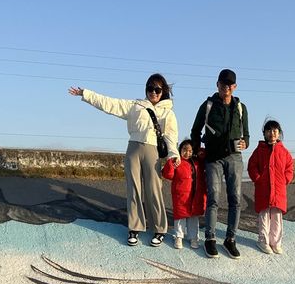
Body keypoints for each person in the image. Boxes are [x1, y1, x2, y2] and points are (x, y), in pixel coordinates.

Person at [68, 75, 178, 247]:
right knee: (133, 189)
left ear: (163, 91)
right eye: (150, 88)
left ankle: (159, 228)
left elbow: (171, 136)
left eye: (157, 89)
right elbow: (110, 103)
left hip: (153, 151)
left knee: (154, 189)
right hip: (133, 148)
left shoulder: (167, 112)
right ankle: (135, 227)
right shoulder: (135, 106)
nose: (153, 92)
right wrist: (86, 94)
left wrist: (174, 155)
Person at [190, 69, 249, 259]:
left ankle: (230, 239)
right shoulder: (207, 105)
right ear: (217, 84)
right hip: (213, 158)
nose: (226, 87)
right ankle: (210, 238)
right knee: (214, 198)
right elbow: (195, 131)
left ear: (235, 87)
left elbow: (246, 134)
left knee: (235, 199)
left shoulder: (241, 107)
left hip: (234, 157)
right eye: (223, 83)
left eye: (230, 84)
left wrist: (245, 142)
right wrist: (197, 148)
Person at [247, 119, 294, 254]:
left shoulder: (284, 151)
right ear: (264, 133)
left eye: (274, 130)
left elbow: (290, 167)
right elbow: (252, 166)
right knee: (264, 216)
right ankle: (263, 241)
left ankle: (276, 243)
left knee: (277, 218)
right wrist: (257, 178)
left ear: (279, 133)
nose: (272, 133)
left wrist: (286, 179)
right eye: (269, 130)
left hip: (279, 191)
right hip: (263, 190)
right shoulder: (259, 150)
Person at [161, 139, 207, 249]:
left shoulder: (197, 162)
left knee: (193, 217)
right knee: (180, 216)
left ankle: (194, 238)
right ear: (180, 150)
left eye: (190, 151)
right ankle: (178, 236)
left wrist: (200, 151)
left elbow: (205, 156)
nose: (187, 153)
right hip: (180, 195)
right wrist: (172, 162)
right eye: (184, 150)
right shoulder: (178, 161)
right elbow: (168, 175)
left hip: (195, 195)